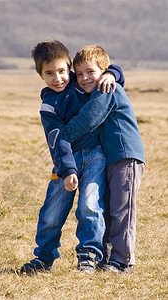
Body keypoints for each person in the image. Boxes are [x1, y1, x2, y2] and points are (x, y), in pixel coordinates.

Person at [20, 40, 125, 276]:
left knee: (90, 205)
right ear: (40, 75)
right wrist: (68, 170)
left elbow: (97, 72)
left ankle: (87, 257)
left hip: (95, 156)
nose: (57, 78)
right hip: (65, 163)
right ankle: (43, 258)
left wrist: (113, 73)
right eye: (49, 73)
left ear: (69, 69)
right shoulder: (48, 107)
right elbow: (56, 141)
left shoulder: (80, 86)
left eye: (61, 71)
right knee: (52, 211)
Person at [62, 45, 145, 274]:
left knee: (122, 209)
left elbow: (90, 118)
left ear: (103, 71)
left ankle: (123, 260)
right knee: (109, 207)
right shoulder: (102, 82)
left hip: (125, 155)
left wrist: (62, 137)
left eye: (90, 71)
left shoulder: (107, 88)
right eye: (79, 74)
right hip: (112, 158)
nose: (84, 78)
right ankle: (108, 258)